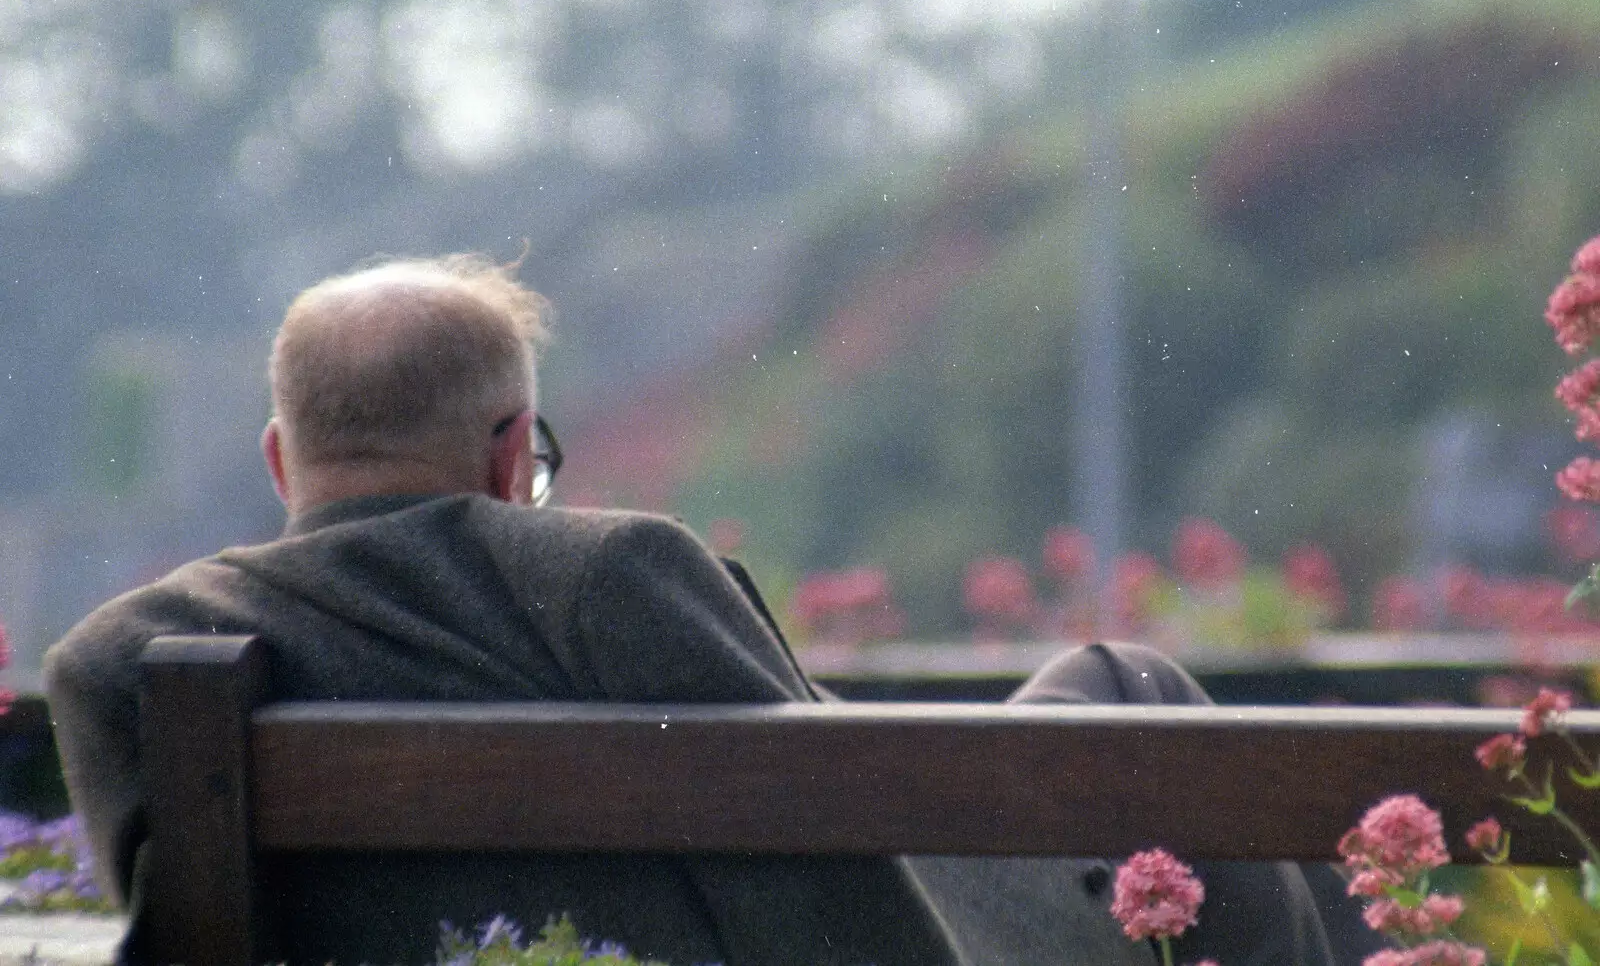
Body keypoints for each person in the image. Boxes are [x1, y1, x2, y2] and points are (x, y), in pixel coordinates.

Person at [44, 254, 1357, 966]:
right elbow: (831, 875)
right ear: (513, 456)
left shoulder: (122, 662)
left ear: (282, 460)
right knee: (1129, 692)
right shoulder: (612, 579)